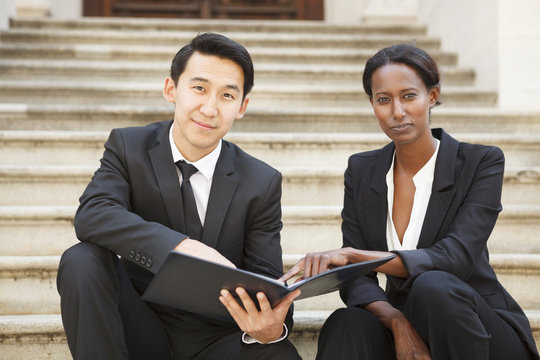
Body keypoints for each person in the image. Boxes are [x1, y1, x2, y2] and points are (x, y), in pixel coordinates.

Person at [280, 44, 539, 360]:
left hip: (478, 329)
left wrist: (351, 255)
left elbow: (455, 258)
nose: (397, 112)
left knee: (434, 287)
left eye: (409, 96)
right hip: (408, 319)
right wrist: (396, 320)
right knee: (346, 322)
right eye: (383, 100)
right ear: (373, 104)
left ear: (432, 96)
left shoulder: (480, 162)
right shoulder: (363, 170)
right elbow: (357, 280)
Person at [57, 32, 301, 360]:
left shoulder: (261, 181)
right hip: (139, 325)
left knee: (280, 354)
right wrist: (181, 247)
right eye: (199, 88)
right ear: (172, 89)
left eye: (227, 96)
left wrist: (273, 327)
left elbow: (266, 280)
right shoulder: (129, 146)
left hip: (218, 339)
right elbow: (94, 213)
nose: (210, 108)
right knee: (81, 259)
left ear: (241, 107)